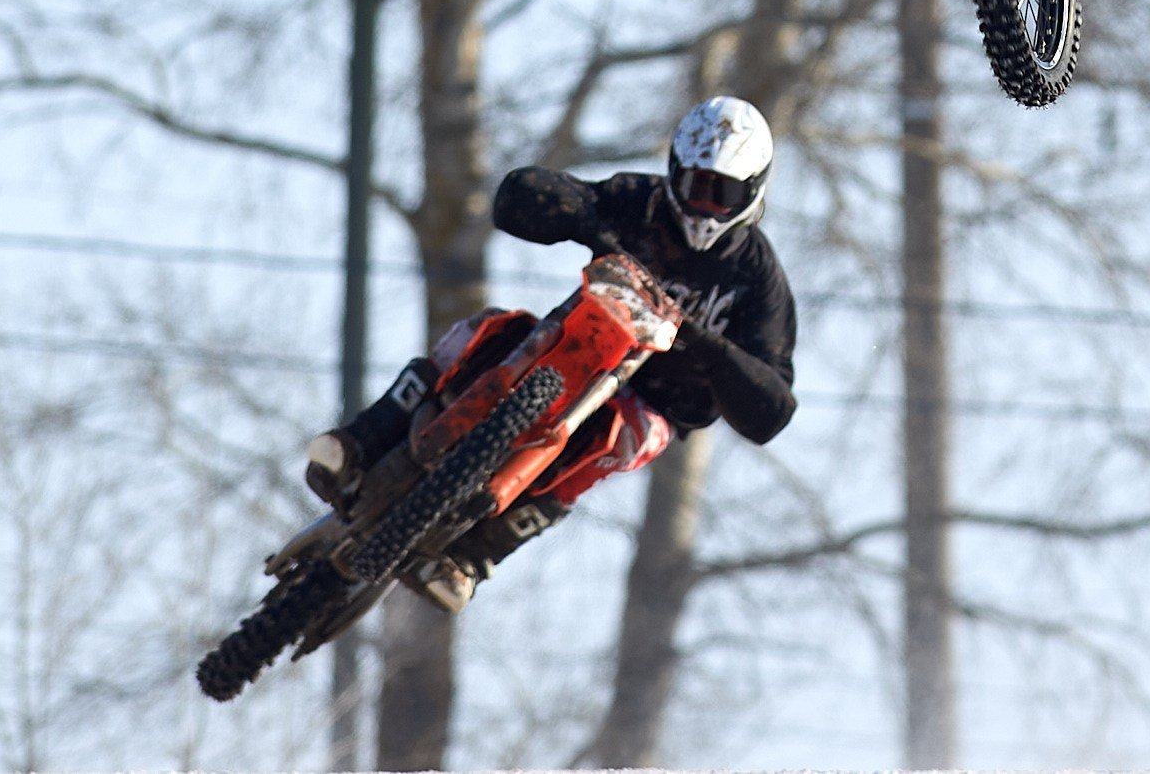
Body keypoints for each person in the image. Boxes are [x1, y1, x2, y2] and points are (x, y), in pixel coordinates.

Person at [304, 96, 796, 608]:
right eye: (695, 186)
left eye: (722, 194)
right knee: (490, 328)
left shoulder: (759, 279)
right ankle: (360, 440)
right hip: (581, 339)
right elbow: (519, 198)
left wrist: (710, 349)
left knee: (625, 440)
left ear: (753, 190)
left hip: (656, 401)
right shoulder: (640, 201)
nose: (703, 206)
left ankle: (476, 555)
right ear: (674, 173)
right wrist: (587, 226)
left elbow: (773, 404)